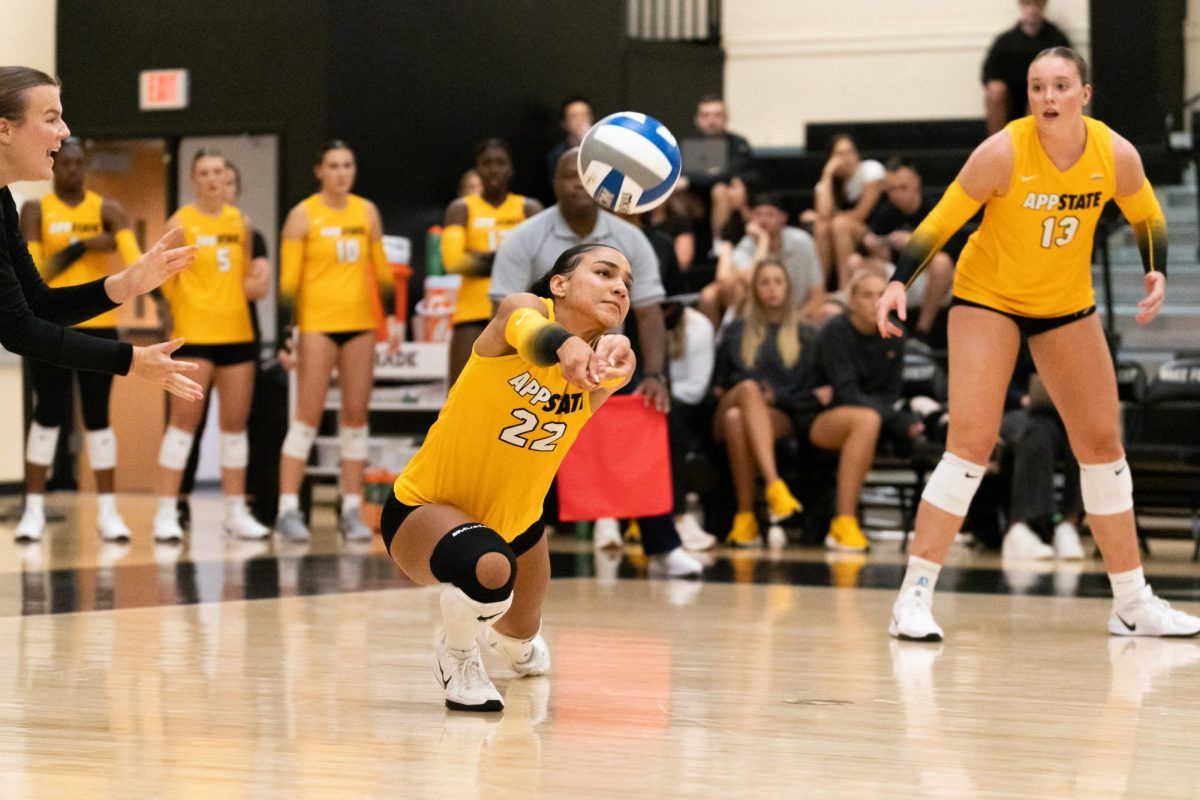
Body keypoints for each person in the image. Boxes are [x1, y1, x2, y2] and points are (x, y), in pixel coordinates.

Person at [877, 48, 1200, 640]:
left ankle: (1132, 602)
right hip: (987, 298)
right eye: (1037, 87)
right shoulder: (1002, 151)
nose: (1048, 97)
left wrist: (1157, 269)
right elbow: (941, 221)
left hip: (1063, 304)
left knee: (1103, 443)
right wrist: (899, 281)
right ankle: (913, 598)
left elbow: (1148, 214)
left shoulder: (1113, 153)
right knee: (971, 444)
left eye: (1060, 86)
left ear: (1084, 94)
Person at [382, 243, 636, 711]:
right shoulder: (522, 309)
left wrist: (610, 355)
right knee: (490, 568)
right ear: (559, 284)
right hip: (423, 509)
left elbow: (610, 366)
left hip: (517, 522)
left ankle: (510, 641)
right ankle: (457, 656)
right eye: (603, 273)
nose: (619, 286)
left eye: (626, 282)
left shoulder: (608, 367)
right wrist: (565, 344)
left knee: (522, 634)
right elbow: (528, 328)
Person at [0, 67, 201, 443]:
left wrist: (123, 285)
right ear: (4, 129)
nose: (64, 131)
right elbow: (19, 331)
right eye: (51, 118)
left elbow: (37, 304)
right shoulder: (31, 209)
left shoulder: (3, 198)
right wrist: (134, 360)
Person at [14, 137, 143, 542]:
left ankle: (108, 514)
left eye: (79, 163)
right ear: (54, 165)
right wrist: (83, 245)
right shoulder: (35, 210)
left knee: (98, 417)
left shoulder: (108, 208)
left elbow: (135, 263)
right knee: (48, 413)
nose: (73, 169)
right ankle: (33, 511)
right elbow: (39, 272)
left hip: (100, 323)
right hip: (49, 323)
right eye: (66, 162)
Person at [274, 140, 398, 543]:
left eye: (348, 165)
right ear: (319, 171)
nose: (342, 172)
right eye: (334, 166)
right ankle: (288, 508)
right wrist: (285, 333)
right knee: (307, 416)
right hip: (316, 325)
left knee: (356, 416)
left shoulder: (367, 211)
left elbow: (381, 270)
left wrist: (392, 318)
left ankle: (350, 509)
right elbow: (288, 281)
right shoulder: (302, 215)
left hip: (359, 324)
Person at [490, 148, 671, 415]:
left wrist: (654, 374)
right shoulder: (524, 238)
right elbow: (507, 316)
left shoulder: (631, 239)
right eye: (570, 176)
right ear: (558, 283)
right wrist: (563, 343)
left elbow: (649, 313)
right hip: (531, 370)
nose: (580, 182)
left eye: (589, 175)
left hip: (599, 370)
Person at [151, 150, 271, 542]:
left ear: (227, 177)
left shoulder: (242, 222)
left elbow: (247, 276)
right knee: (183, 425)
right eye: (205, 172)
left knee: (235, 427)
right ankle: (166, 512)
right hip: (195, 335)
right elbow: (162, 279)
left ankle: (236, 512)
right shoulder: (181, 222)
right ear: (193, 179)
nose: (213, 178)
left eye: (219, 171)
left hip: (237, 334)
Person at [817, 269, 921, 552]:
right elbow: (845, 392)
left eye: (880, 294)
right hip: (822, 415)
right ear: (851, 300)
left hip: (873, 420)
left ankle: (845, 524)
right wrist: (898, 421)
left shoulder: (894, 335)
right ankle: (844, 521)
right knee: (867, 420)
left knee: (869, 420)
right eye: (867, 295)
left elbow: (890, 394)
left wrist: (890, 417)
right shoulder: (834, 331)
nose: (875, 301)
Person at [711, 260, 808, 546]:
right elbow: (718, 384)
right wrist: (745, 391)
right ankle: (774, 484)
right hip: (729, 402)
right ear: (755, 289)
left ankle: (745, 518)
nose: (772, 288)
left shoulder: (805, 334)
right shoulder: (735, 331)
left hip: (778, 415)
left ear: (788, 287)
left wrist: (776, 398)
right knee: (747, 391)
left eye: (778, 281)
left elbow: (809, 391)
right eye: (764, 282)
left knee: (737, 421)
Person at [442, 139, 542, 385]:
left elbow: (541, 262)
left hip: (522, 313)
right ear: (477, 169)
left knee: (517, 396)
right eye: (486, 163)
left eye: (500, 163)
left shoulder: (529, 208)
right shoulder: (460, 208)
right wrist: (513, 261)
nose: (494, 169)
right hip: (472, 313)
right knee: (460, 394)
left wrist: (481, 257)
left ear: (511, 169)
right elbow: (454, 262)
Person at [853, 158, 964, 344]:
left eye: (902, 187)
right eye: (892, 189)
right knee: (855, 262)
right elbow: (867, 245)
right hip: (897, 277)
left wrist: (916, 243)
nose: (897, 195)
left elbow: (956, 249)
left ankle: (922, 331)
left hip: (932, 280)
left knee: (941, 262)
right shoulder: (886, 211)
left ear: (916, 183)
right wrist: (870, 243)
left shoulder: (935, 209)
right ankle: (875, 328)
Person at [998, 342, 1085, 560]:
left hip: (1064, 414)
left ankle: (1069, 524)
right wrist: (1022, 398)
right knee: (1037, 432)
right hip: (1013, 410)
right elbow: (990, 378)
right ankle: (1021, 527)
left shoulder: (1080, 326)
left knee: (1085, 436)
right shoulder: (1013, 328)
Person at [700, 194, 825, 326]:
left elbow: (818, 292)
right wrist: (763, 242)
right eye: (758, 215)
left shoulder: (802, 241)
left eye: (770, 215)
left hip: (799, 314)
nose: (763, 220)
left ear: (783, 218)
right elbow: (752, 279)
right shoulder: (744, 247)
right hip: (759, 319)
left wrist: (795, 323)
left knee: (830, 312)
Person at [802, 134, 885, 288]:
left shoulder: (871, 170)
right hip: (839, 237)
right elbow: (824, 217)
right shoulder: (826, 184)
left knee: (840, 224)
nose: (846, 158)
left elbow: (861, 214)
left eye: (850, 152)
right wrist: (827, 174)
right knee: (821, 228)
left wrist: (820, 216)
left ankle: (845, 288)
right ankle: (820, 289)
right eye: (839, 154)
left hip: (873, 236)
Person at [983, 0, 1071, 135]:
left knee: (1037, 92)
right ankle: (996, 143)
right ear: (1021, 6)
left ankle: (1029, 144)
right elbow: (989, 76)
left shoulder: (1056, 40)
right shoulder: (1005, 41)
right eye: (1027, 4)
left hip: (1046, 96)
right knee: (995, 90)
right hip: (1012, 98)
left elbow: (1069, 74)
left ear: (1043, 6)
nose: (1032, 9)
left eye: (1036, 4)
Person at [545, 96, 593, 184]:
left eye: (584, 115)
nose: (580, 120)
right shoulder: (556, 154)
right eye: (574, 116)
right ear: (564, 123)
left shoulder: (603, 149)